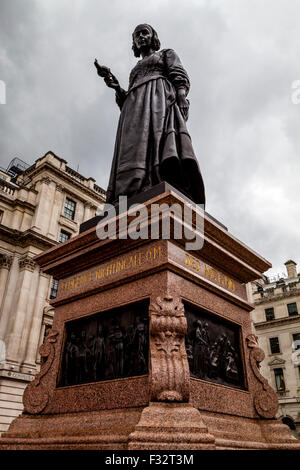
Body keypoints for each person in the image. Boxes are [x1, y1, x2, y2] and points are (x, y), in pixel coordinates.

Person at [94, 24, 205, 205]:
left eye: (145, 32)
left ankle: (155, 180)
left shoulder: (165, 54)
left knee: (156, 142)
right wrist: (114, 84)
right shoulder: (135, 70)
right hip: (133, 111)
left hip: (157, 100)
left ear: (153, 36)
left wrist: (182, 96)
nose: (141, 37)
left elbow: (178, 75)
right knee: (134, 149)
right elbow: (126, 100)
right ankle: (131, 190)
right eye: (136, 36)